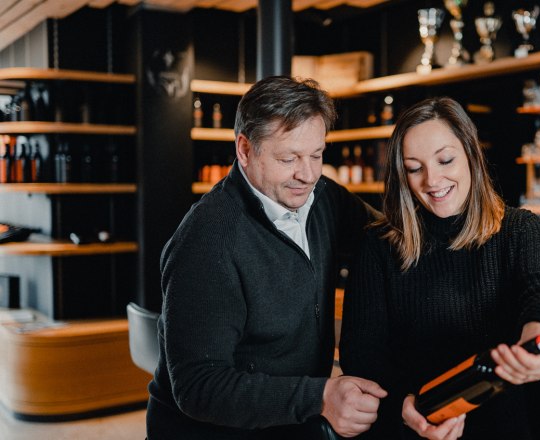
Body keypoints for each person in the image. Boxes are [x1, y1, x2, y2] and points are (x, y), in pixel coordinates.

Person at [146, 76, 386, 440]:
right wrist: (318, 396)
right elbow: (198, 386)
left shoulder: (322, 197)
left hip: (286, 425)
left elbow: (383, 238)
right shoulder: (207, 241)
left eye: (317, 155)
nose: (306, 174)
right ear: (244, 149)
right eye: (288, 158)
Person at [340, 97, 540, 439]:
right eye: (414, 167)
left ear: (471, 154)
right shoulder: (379, 246)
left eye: (445, 160)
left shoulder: (520, 230)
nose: (432, 180)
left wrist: (538, 332)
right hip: (413, 428)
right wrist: (403, 406)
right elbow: (362, 355)